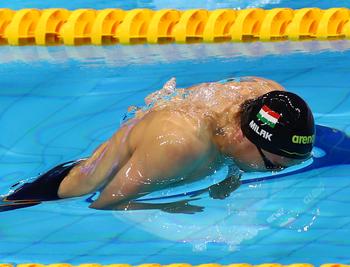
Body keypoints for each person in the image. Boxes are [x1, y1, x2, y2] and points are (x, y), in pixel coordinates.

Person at [1, 77, 315, 212]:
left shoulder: (266, 94)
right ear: (240, 137)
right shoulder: (180, 146)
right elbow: (102, 202)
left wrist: (233, 173)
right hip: (59, 193)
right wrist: (168, 206)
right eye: (273, 165)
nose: (275, 172)